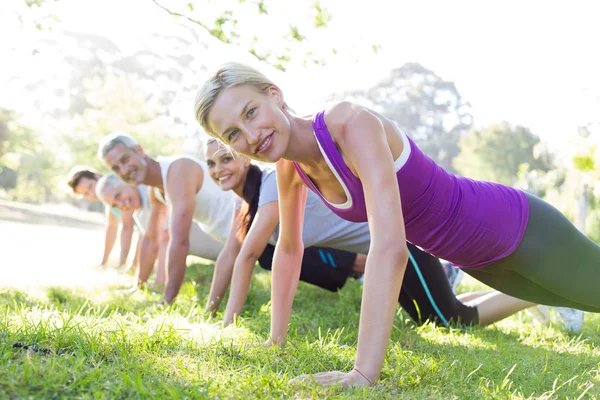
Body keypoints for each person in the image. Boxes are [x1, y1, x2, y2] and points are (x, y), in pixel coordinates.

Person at [194, 62, 597, 387]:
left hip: (517, 229)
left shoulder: (347, 125)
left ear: (274, 95)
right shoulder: (289, 170)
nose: (251, 134)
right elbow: (289, 249)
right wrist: (275, 341)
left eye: (251, 112)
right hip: (480, 263)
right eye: (233, 133)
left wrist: (362, 373)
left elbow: (389, 247)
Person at [205, 138, 536, 328]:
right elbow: (230, 254)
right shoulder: (247, 204)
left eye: (225, 159)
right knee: (430, 315)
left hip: (401, 241)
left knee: (449, 321)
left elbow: (248, 256)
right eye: (211, 164)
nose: (219, 169)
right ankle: (530, 294)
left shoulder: (269, 184)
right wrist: (209, 310)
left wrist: (228, 322)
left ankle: (539, 294)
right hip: (384, 251)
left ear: (245, 160)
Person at [97, 133, 363, 305]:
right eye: (115, 167)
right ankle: (375, 271)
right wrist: (139, 284)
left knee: (348, 260)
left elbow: (178, 242)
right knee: (334, 268)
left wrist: (168, 300)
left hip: (263, 221)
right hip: (245, 235)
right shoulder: (157, 190)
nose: (123, 169)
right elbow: (152, 238)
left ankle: (385, 266)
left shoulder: (177, 171)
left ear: (139, 150)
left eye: (125, 159)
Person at [95, 173, 224, 288]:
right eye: (115, 205)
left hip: (224, 242)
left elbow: (165, 239)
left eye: (118, 195)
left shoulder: (151, 191)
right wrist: (139, 283)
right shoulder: (139, 212)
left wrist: (159, 283)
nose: (122, 204)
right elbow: (149, 245)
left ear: (127, 183)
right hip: (218, 254)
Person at [66, 166, 138, 270]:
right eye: (86, 194)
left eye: (90, 187)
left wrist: (126, 265)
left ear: (97, 176)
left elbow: (128, 228)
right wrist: (103, 262)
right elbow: (111, 229)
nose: (92, 194)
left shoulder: (118, 191)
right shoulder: (108, 202)